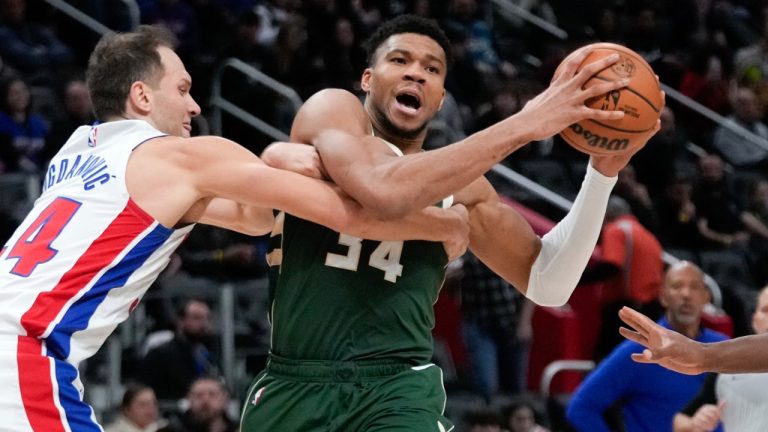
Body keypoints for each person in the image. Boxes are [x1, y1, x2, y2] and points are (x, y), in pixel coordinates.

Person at [0, 24, 471, 431]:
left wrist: (277, 161)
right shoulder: (184, 157)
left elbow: (254, 216)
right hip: (24, 356)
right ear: (142, 96)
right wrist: (444, 223)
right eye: (182, 90)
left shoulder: (73, 151)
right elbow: (348, 214)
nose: (195, 106)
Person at [243, 13, 661, 432]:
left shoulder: (464, 187)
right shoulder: (331, 110)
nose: (416, 73)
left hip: (397, 390)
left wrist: (602, 175)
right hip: (295, 382)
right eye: (400, 60)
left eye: (432, 68)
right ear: (367, 79)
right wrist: (524, 124)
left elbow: (548, 283)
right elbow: (382, 190)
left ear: (441, 98)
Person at [566, 261, 728, 432]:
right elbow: (581, 407)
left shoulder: (722, 345)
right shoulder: (638, 349)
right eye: (677, 286)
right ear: (663, 296)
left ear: (706, 297)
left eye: (694, 287)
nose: (686, 294)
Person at [672, 286, 768, 432]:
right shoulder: (728, 366)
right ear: (754, 319)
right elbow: (680, 421)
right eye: (766, 310)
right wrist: (696, 422)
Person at [139, 299, 217, 401]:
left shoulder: (207, 353)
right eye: (197, 318)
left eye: (207, 318)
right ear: (180, 321)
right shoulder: (160, 354)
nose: (204, 324)